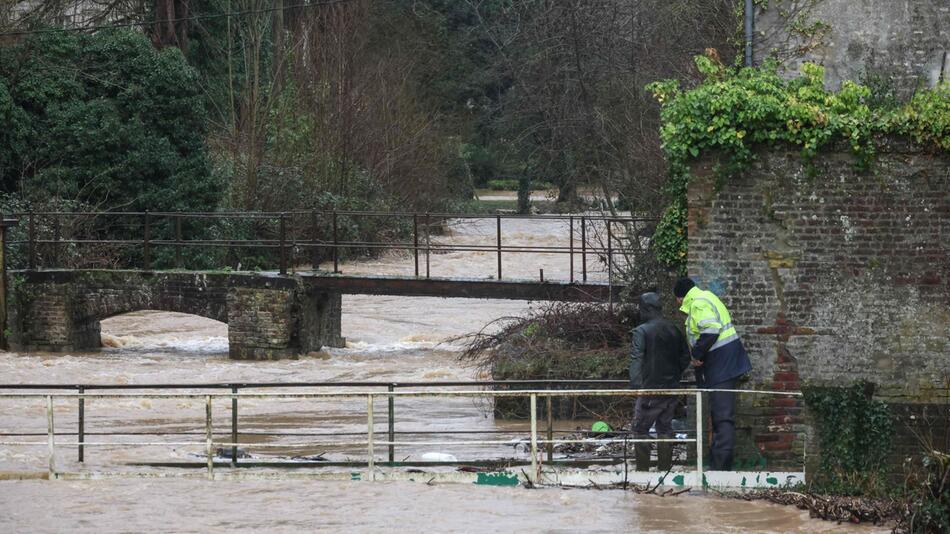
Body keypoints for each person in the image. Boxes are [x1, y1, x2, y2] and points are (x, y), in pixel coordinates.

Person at [673, 277, 752, 471]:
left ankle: (720, 470)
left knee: (722, 417)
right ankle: (719, 464)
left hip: (722, 364)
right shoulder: (708, 296)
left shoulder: (698, 304)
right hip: (725, 362)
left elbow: (710, 331)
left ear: (680, 297)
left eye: (675, 299)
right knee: (721, 416)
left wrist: (697, 355)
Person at [629, 292, 690, 472]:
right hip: (671, 389)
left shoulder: (642, 331)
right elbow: (685, 356)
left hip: (650, 389)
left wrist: (636, 386)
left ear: (647, 309)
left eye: (640, 309)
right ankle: (664, 471)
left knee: (640, 429)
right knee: (665, 427)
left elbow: (636, 359)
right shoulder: (674, 329)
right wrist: (674, 374)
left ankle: (643, 472)